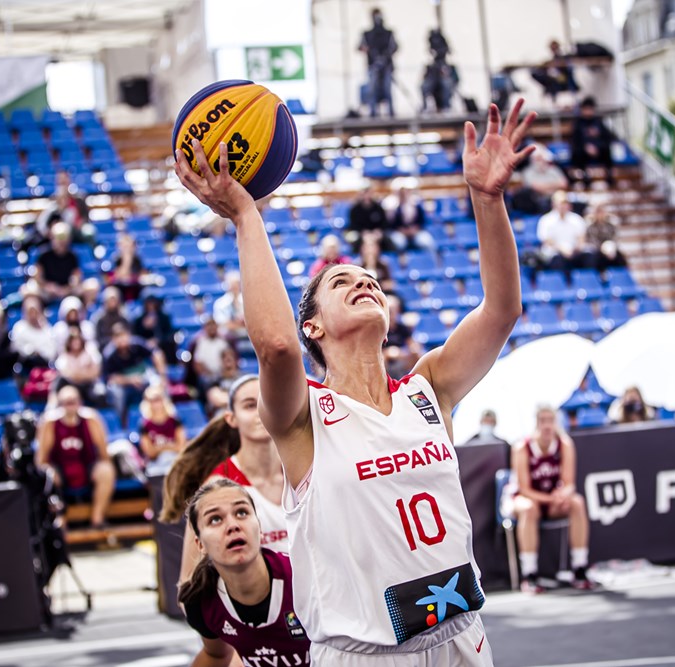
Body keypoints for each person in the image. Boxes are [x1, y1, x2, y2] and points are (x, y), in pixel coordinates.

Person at [174, 98, 538, 663]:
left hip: (462, 636)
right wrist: (246, 216)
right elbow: (275, 347)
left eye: (369, 279)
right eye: (341, 282)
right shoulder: (303, 417)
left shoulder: (428, 388)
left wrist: (487, 201)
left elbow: (502, 310)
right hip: (364, 652)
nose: (363, 282)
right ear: (313, 326)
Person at [162, 375, 290, 576]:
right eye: (250, 405)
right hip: (254, 596)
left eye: (269, 401)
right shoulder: (217, 487)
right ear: (231, 418)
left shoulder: (304, 471)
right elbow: (188, 581)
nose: (261, 411)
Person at [176, 479, 311, 667]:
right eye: (215, 519)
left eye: (241, 512)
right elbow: (216, 656)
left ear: (260, 528)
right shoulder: (200, 602)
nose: (232, 525)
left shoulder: (306, 577)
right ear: (200, 544)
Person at [511, 404, 592, 593]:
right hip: (526, 499)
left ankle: (580, 568)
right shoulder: (522, 447)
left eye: (551, 420)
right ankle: (529, 574)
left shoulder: (564, 444)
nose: (547, 425)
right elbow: (524, 489)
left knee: (577, 503)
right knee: (529, 508)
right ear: (536, 423)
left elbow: (569, 483)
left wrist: (563, 495)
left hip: (551, 501)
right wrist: (551, 499)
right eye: (543, 421)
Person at [35, 385, 115, 530]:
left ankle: (97, 519)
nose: (70, 406)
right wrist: (50, 472)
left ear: (80, 402)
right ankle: (59, 521)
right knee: (48, 475)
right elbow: (41, 460)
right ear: (60, 404)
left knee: (106, 470)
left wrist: (105, 465)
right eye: (67, 402)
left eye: (73, 401)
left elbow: (104, 454)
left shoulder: (91, 419)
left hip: (86, 466)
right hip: (60, 469)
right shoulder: (50, 423)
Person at [103, 322, 167, 420]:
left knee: (158, 383)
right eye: (118, 337)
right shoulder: (109, 354)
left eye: (124, 336)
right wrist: (130, 380)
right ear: (113, 339)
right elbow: (111, 378)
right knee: (116, 392)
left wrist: (162, 375)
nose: (122, 340)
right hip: (124, 384)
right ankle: (121, 421)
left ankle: (165, 416)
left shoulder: (137, 344)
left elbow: (157, 354)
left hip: (143, 376)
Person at [537, 190, 586, 277]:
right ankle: (560, 282)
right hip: (554, 252)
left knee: (589, 255)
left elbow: (581, 238)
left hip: (574, 251)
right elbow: (546, 240)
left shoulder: (576, 219)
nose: (563, 206)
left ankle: (586, 280)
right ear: (554, 204)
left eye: (565, 203)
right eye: (560, 203)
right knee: (557, 259)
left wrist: (576, 248)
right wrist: (562, 249)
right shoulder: (546, 220)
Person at [359, 8, 398, 118]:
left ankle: (391, 112)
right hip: (373, 66)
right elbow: (360, 47)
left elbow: (395, 47)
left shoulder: (388, 33)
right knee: (372, 89)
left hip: (387, 66)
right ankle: (373, 112)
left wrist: (386, 55)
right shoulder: (367, 34)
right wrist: (370, 51)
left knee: (387, 89)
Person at [570, 97, 614, 188]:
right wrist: (586, 147)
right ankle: (585, 176)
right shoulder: (577, 123)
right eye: (586, 109)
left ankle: (609, 175)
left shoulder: (598, 122)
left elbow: (608, 137)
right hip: (583, 151)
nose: (588, 111)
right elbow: (575, 141)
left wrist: (598, 147)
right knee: (577, 153)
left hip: (598, 150)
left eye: (590, 109)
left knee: (607, 149)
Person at [138, 384, 185, 467]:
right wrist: (169, 446)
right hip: (155, 463)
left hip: (175, 460)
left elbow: (181, 447)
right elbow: (150, 452)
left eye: (158, 399)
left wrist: (160, 447)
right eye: (152, 400)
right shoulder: (144, 424)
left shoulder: (175, 421)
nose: (156, 404)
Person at [54, 326, 103, 405]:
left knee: (99, 395)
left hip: (88, 385)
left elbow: (95, 372)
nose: (76, 343)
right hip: (71, 385)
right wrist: (84, 372)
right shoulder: (64, 356)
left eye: (77, 340)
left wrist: (79, 374)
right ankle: (52, 405)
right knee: (60, 382)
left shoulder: (90, 353)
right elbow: (65, 374)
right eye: (73, 340)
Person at [35, 222, 82, 304]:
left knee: (91, 286)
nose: (62, 242)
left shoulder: (73, 256)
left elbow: (76, 278)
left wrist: (67, 289)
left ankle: (87, 310)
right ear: (52, 237)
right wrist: (48, 287)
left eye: (64, 238)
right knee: (28, 291)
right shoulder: (43, 255)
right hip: (47, 292)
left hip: (68, 293)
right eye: (59, 238)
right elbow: (37, 278)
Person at [512, 149, 568, 215]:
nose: (541, 161)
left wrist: (545, 187)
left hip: (556, 197)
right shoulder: (528, 172)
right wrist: (554, 186)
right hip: (538, 200)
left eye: (542, 158)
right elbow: (536, 187)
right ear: (533, 160)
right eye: (538, 159)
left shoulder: (554, 170)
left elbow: (564, 184)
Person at [10, 295, 58, 371]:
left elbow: (52, 351)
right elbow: (16, 347)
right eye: (30, 312)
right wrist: (31, 351)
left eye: (35, 311)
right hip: (25, 364)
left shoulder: (47, 328)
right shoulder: (19, 327)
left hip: (44, 364)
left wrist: (40, 352)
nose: (33, 315)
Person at [530, 39, 579, 105]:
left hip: (563, 82)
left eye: (555, 48)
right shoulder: (549, 61)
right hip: (552, 84)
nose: (554, 50)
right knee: (536, 74)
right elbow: (540, 70)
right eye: (552, 48)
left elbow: (568, 67)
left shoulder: (564, 58)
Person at [581, 203, 627, 273]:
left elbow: (616, 238)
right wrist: (602, 249)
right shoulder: (590, 225)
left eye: (601, 211)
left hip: (610, 248)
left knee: (619, 256)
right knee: (592, 256)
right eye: (598, 212)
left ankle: (621, 273)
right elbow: (591, 240)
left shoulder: (612, 223)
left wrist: (610, 247)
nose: (600, 214)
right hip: (597, 249)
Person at [388, 187, 435, 252]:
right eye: (402, 194)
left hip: (416, 232)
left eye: (406, 193)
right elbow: (392, 225)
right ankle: (402, 258)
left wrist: (415, 230)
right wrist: (402, 231)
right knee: (399, 243)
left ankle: (432, 258)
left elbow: (422, 222)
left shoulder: (417, 206)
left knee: (427, 242)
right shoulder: (393, 208)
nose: (404, 195)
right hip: (400, 233)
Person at [347, 186, 389, 252]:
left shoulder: (378, 208)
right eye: (364, 194)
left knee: (386, 240)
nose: (367, 196)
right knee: (354, 239)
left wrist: (379, 231)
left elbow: (384, 223)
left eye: (369, 193)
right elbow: (353, 225)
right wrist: (362, 232)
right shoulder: (355, 209)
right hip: (360, 232)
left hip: (376, 233)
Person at [91, 286, 130, 352]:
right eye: (110, 300)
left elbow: (129, 336)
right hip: (105, 349)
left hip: (124, 348)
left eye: (114, 300)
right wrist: (114, 342)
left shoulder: (124, 318)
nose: (112, 303)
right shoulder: (99, 319)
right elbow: (98, 339)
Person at [108, 234, 145, 302]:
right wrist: (127, 260)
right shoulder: (116, 259)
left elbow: (141, 276)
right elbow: (117, 277)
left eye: (129, 246)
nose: (127, 249)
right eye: (125, 247)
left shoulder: (137, 259)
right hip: (119, 289)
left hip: (135, 289)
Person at [213, 271, 246, 340]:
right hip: (227, 340)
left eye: (236, 285)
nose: (234, 288)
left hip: (246, 337)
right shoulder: (220, 303)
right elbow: (223, 324)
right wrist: (241, 324)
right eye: (232, 285)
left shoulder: (246, 301)